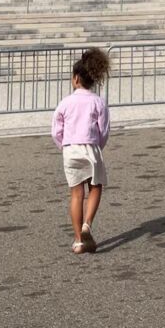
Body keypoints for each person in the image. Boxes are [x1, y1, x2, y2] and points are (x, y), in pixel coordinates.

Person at [51, 48, 112, 255]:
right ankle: (87, 224)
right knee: (95, 186)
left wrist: (64, 145)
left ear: (76, 78)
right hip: (90, 147)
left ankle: (78, 241)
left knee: (76, 194)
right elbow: (103, 130)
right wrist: (98, 146)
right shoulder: (98, 101)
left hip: (70, 148)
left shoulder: (65, 102)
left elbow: (56, 130)